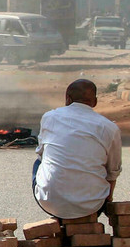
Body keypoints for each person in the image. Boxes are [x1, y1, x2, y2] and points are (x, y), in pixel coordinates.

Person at [33, 78, 122, 220]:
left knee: (40, 161)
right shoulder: (110, 128)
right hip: (92, 205)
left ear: (67, 99)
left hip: (49, 202)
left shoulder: (49, 117)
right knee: (103, 164)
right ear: (95, 102)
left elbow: (43, 154)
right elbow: (113, 172)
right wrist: (107, 201)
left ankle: (60, 216)